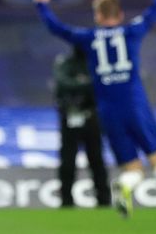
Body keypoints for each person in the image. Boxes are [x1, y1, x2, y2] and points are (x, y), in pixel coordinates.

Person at [33, 0, 156, 232]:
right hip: (135, 105)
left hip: (108, 112)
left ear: (98, 15)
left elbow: (58, 29)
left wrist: (43, 5)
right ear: (120, 13)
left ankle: (125, 186)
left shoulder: (88, 37)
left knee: (133, 169)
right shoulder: (133, 31)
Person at [53, 45, 110, 208]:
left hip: (91, 116)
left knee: (97, 160)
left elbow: (100, 85)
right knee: (67, 161)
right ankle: (66, 201)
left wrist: (80, 84)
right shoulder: (64, 63)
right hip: (70, 116)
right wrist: (86, 84)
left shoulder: (95, 63)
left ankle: (104, 201)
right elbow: (63, 84)